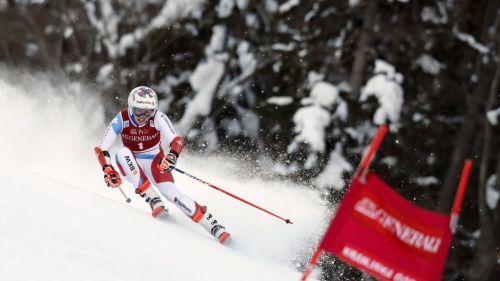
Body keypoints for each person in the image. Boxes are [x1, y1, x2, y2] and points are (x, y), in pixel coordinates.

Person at [94, 86, 230, 244]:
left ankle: (213, 226)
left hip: (154, 161)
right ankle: (153, 199)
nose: (143, 117)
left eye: (149, 112)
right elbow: (102, 149)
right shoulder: (122, 118)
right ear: (131, 108)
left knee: (171, 193)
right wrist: (107, 169)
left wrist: (172, 156)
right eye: (139, 111)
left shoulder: (158, 117)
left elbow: (176, 140)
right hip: (131, 161)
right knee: (122, 153)